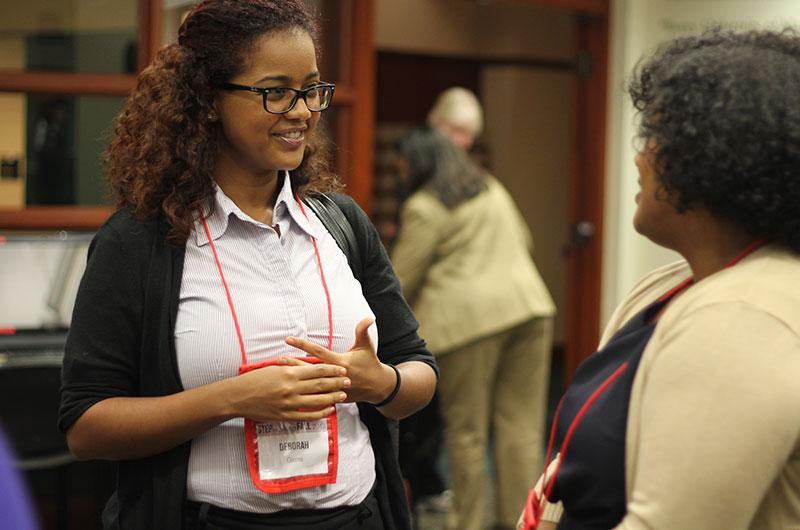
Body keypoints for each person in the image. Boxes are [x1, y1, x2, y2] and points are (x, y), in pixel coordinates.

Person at [57, 2, 437, 529]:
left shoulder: (340, 224)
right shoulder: (141, 241)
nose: (302, 111)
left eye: (312, 89)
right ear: (210, 100)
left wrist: (380, 384)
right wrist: (232, 399)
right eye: (276, 91)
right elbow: (86, 426)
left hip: (357, 517)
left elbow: (419, 369)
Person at [519, 28, 800, 530]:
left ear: (714, 157)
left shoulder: (741, 318)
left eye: (654, 136)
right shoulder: (672, 285)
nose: (639, 156)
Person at [392, 121, 556, 530]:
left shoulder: (425, 207)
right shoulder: (490, 189)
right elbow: (525, 240)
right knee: (521, 428)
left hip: (467, 326)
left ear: (418, 165)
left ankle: (467, 523)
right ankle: (520, 521)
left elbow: (398, 280)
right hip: (529, 308)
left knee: (467, 434)